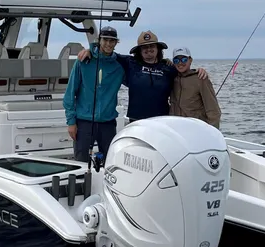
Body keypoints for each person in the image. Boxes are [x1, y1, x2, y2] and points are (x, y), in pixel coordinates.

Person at [77, 29, 207, 122]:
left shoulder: (168, 68)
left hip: (162, 120)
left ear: (158, 49)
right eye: (144, 47)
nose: (148, 50)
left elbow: (184, 72)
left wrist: (198, 71)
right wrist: (90, 51)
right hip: (136, 120)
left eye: (152, 46)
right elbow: (106, 53)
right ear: (139, 50)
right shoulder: (130, 63)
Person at [63, 26, 126, 163]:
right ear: (99, 40)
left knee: (110, 162)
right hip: (84, 122)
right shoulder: (83, 61)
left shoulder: (119, 67)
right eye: (105, 40)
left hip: (108, 123)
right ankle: (81, 185)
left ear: (116, 43)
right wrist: (71, 122)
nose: (108, 44)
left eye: (112, 41)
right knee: (81, 162)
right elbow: (70, 93)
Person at [169, 47, 222, 128]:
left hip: (196, 128)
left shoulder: (201, 78)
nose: (180, 63)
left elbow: (213, 110)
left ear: (190, 60)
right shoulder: (171, 78)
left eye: (184, 60)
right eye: (176, 60)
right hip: (176, 127)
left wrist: (213, 131)